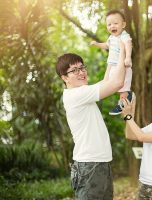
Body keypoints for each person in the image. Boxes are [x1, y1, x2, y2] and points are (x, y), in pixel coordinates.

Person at [55, 42, 127, 200]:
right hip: (90, 165)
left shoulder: (82, 92)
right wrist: (123, 49)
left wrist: (113, 53)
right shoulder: (76, 95)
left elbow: (106, 80)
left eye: (82, 68)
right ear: (65, 78)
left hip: (99, 163)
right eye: (74, 70)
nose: (81, 72)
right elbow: (117, 83)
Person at [91, 10, 133, 115]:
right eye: (109, 24)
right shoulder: (111, 37)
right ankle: (94, 93)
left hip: (123, 65)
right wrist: (96, 44)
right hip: (111, 65)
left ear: (123, 24)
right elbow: (106, 45)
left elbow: (128, 45)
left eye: (115, 23)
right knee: (107, 82)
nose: (112, 26)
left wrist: (128, 57)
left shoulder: (124, 36)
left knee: (122, 86)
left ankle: (124, 100)